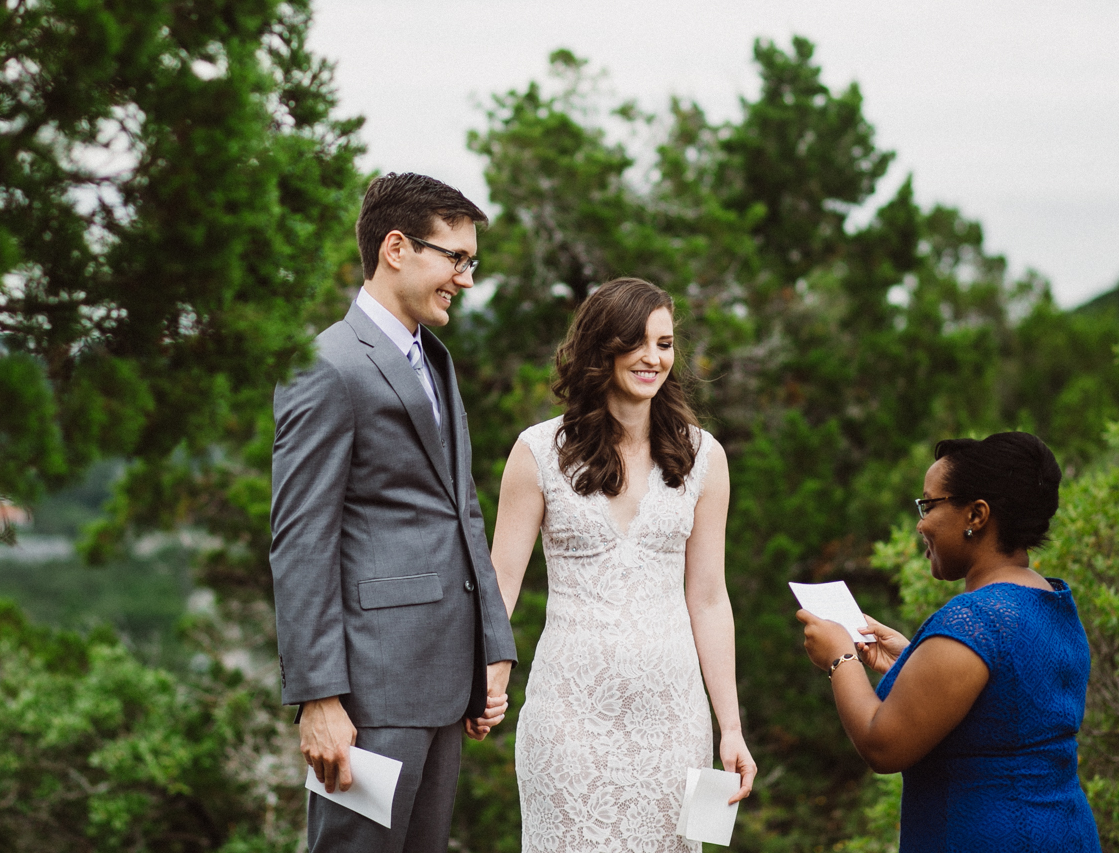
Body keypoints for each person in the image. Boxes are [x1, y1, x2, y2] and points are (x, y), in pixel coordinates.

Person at [270, 173, 519, 853]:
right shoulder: (327, 365)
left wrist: (493, 646)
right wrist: (319, 698)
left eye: (471, 262)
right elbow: (301, 542)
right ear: (397, 248)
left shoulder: (433, 359)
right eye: (456, 258)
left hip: (443, 683)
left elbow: (462, 512)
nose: (466, 279)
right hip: (370, 695)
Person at [489, 277, 757, 853]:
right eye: (635, 342)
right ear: (599, 348)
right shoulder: (536, 451)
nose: (652, 358)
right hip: (569, 718)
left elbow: (709, 596)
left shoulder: (704, 456)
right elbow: (500, 582)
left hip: (674, 720)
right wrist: (491, 668)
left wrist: (730, 725)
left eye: (664, 344)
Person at [798, 431, 1100, 852]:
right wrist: (910, 661)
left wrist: (840, 658)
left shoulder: (974, 619)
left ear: (976, 515)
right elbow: (1006, 705)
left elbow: (882, 745)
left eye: (929, 505)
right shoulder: (1051, 601)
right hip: (1066, 834)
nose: (920, 524)